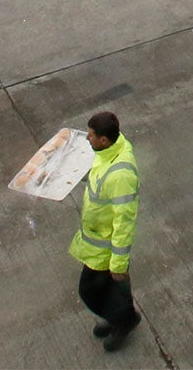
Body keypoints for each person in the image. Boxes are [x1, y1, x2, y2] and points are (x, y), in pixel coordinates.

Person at [69, 110, 142, 352]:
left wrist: (118, 263)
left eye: (91, 136)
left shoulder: (121, 174)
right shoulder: (108, 152)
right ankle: (122, 317)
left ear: (104, 140)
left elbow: (125, 221)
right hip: (97, 241)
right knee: (112, 289)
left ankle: (123, 321)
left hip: (106, 247)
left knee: (89, 290)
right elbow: (98, 176)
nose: (87, 139)